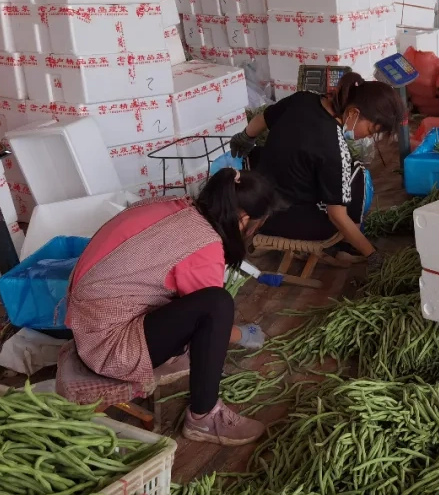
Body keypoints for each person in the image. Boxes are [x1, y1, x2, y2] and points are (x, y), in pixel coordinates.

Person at [66, 169, 279, 446]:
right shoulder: (203, 245)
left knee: (204, 303)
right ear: (244, 219)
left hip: (87, 321)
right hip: (109, 346)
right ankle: (204, 416)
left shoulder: (171, 205)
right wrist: (241, 334)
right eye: (256, 226)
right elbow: (212, 320)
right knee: (217, 304)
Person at [230, 73, 401, 266]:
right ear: (353, 113)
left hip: (258, 200)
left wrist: (245, 137)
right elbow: (337, 216)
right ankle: (345, 244)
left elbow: (262, 119)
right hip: (279, 219)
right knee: (358, 175)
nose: (366, 138)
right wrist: (373, 255)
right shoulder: (334, 149)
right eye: (371, 131)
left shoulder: (303, 99)